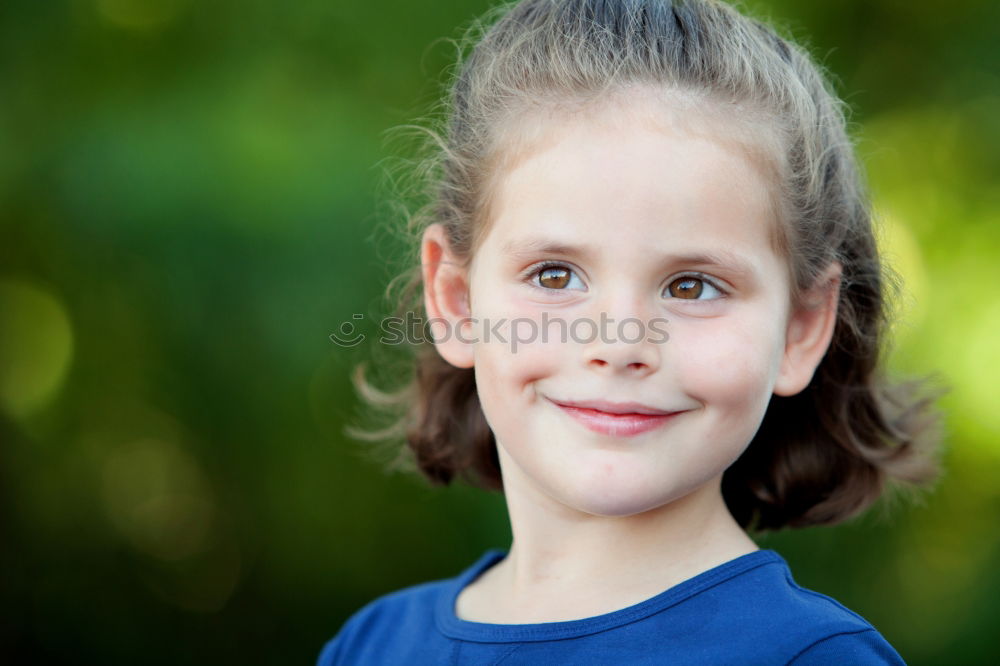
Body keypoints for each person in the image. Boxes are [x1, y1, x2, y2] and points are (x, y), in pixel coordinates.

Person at [319, 0, 943, 663]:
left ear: (801, 327)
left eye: (692, 286)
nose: (618, 345)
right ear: (457, 301)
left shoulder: (808, 658)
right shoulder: (372, 646)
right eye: (555, 276)